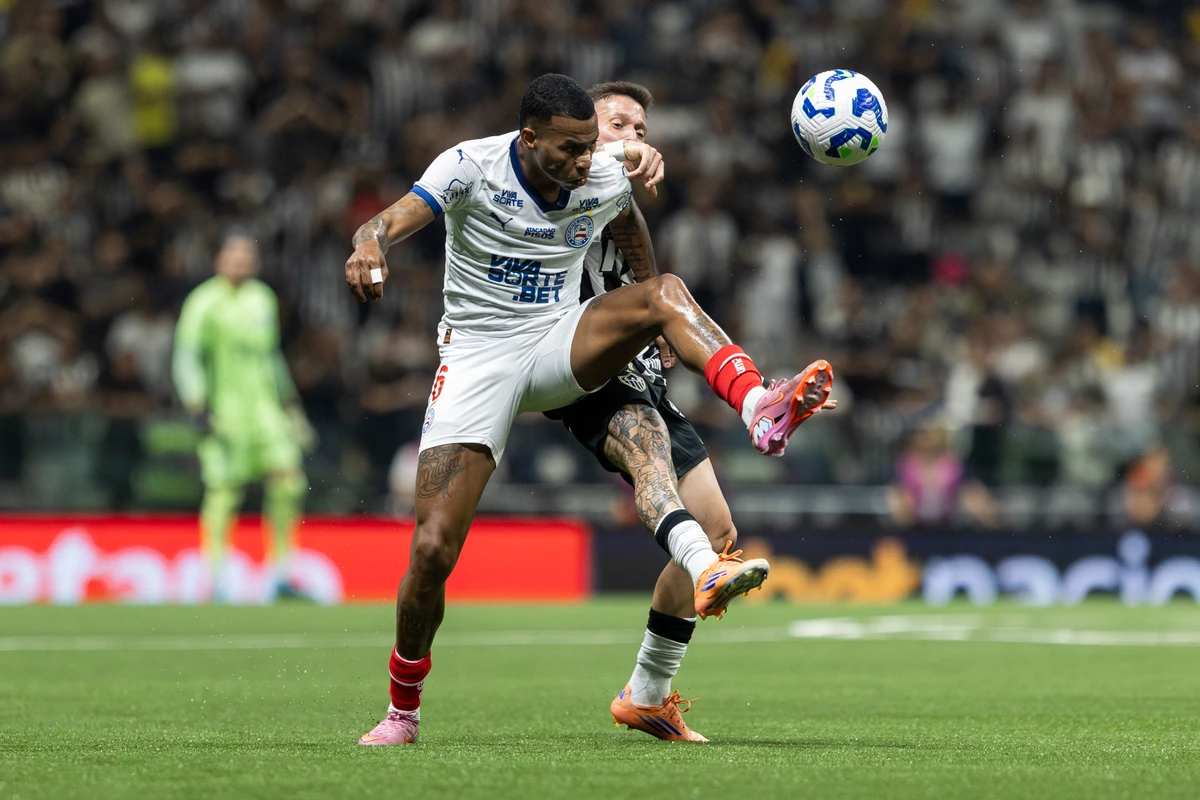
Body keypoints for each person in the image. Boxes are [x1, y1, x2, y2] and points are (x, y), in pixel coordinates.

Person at [345, 73, 835, 746]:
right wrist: (369, 242)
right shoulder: (469, 166)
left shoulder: (603, 176)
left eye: (591, 149)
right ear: (530, 138)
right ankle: (403, 710)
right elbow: (395, 217)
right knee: (431, 550)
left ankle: (757, 403)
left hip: (557, 343)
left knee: (665, 291)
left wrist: (654, 317)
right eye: (573, 149)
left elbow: (633, 236)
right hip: (478, 359)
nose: (586, 163)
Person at [545, 81, 821, 742]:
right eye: (618, 124)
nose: (633, 137)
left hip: (637, 371)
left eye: (640, 127)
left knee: (720, 527)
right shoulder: (554, 178)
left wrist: (660, 323)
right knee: (652, 465)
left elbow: (640, 258)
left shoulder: (618, 201)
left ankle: (646, 694)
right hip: (578, 365)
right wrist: (626, 158)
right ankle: (758, 404)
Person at [172, 235, 315, 602]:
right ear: (220, 259)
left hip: (265, 411)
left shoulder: (262, 298)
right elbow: (187, 355)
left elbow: (271, 357)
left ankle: (282, 572)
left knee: (289, 482)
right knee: (224, 490)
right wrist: (197, 405)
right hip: (226, 412)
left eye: (247, 255)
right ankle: (215, 578)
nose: (240, 261)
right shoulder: (204, 301)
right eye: (233, 254)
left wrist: (291, 406)